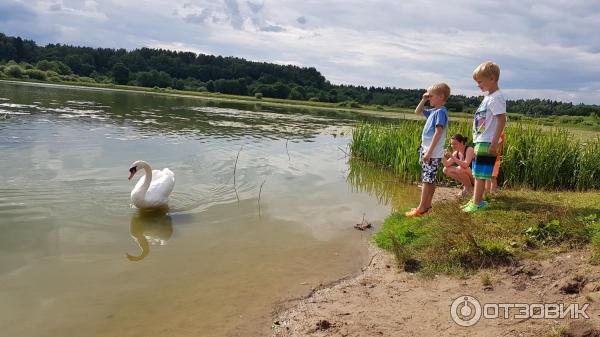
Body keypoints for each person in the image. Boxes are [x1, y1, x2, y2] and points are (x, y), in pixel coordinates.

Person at [462, 61, 507, 213]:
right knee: (477, 172)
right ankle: (475, 200)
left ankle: (477, 203)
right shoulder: (489, 97)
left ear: (492, 79)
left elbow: (502, 119)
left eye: (480, 81)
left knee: (481, 174)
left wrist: (494, 143)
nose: (478, 85)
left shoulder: (496, 98)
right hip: (481, 141)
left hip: (488, 141)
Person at [405, 83, 450, 217]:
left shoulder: (441, 112)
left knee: (426, 180)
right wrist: (423, 99)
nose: (429, 98)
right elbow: (417, 112)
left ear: (441, 97)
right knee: (429, 179)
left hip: (431, 152)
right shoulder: (433, 111)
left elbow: (438, 133)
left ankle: (421, 208)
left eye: (431, 96)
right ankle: (427, 205)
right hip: (429, 151)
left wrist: (429, 152)